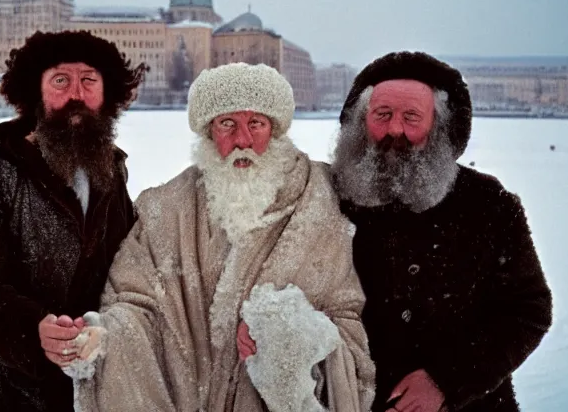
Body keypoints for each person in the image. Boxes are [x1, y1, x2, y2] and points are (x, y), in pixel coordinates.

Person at [69, 63, 375, 412]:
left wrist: (293, 336)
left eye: (256, 124)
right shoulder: (166, 208)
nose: (242, 140)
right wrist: (107, 334)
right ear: (209, 131)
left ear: (274, 130)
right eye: (227, 124)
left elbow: (348, 320)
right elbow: (134, 300)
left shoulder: (322, 201)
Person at [330, 51, 553, 412]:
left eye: (412, 117)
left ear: (438, 125)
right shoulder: (327, 196)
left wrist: (448, 380)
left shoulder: (489, 203)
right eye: (382, 115)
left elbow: (529, 310)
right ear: (359, 119)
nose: (395, 130)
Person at [0, 30, 146, 411]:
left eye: (88, 80)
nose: (76, 94)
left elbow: (130, 263)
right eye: (60, 80)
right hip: (23, 393)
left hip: (103, 384)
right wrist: (34, 331)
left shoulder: (111, 167)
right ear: (35, 91)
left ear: (108, 94)